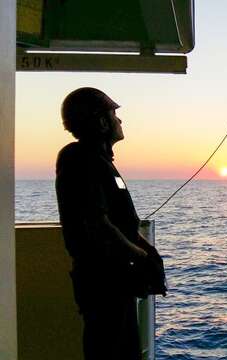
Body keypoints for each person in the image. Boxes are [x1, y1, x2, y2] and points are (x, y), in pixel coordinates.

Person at [55, 87, 150, 360]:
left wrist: (144, 250)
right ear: (100, 121)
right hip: (102, 283)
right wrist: (141, 256)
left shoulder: (100, 162)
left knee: (124, 349)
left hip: (115, 281)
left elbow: (117, 223)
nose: (120, 121)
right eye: (114, 114)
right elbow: (98, 224)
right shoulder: (80, 159)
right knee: (110, 350)